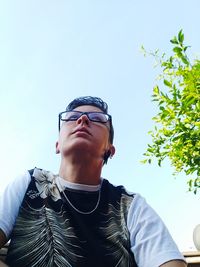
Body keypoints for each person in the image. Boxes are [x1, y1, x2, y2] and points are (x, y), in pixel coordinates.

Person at [0, 96, 186, 267]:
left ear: (110, 150)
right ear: (57, 145)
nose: (83, 120)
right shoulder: (30, 183)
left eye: (97, 118)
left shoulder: (130, 205)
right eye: (72, 117)